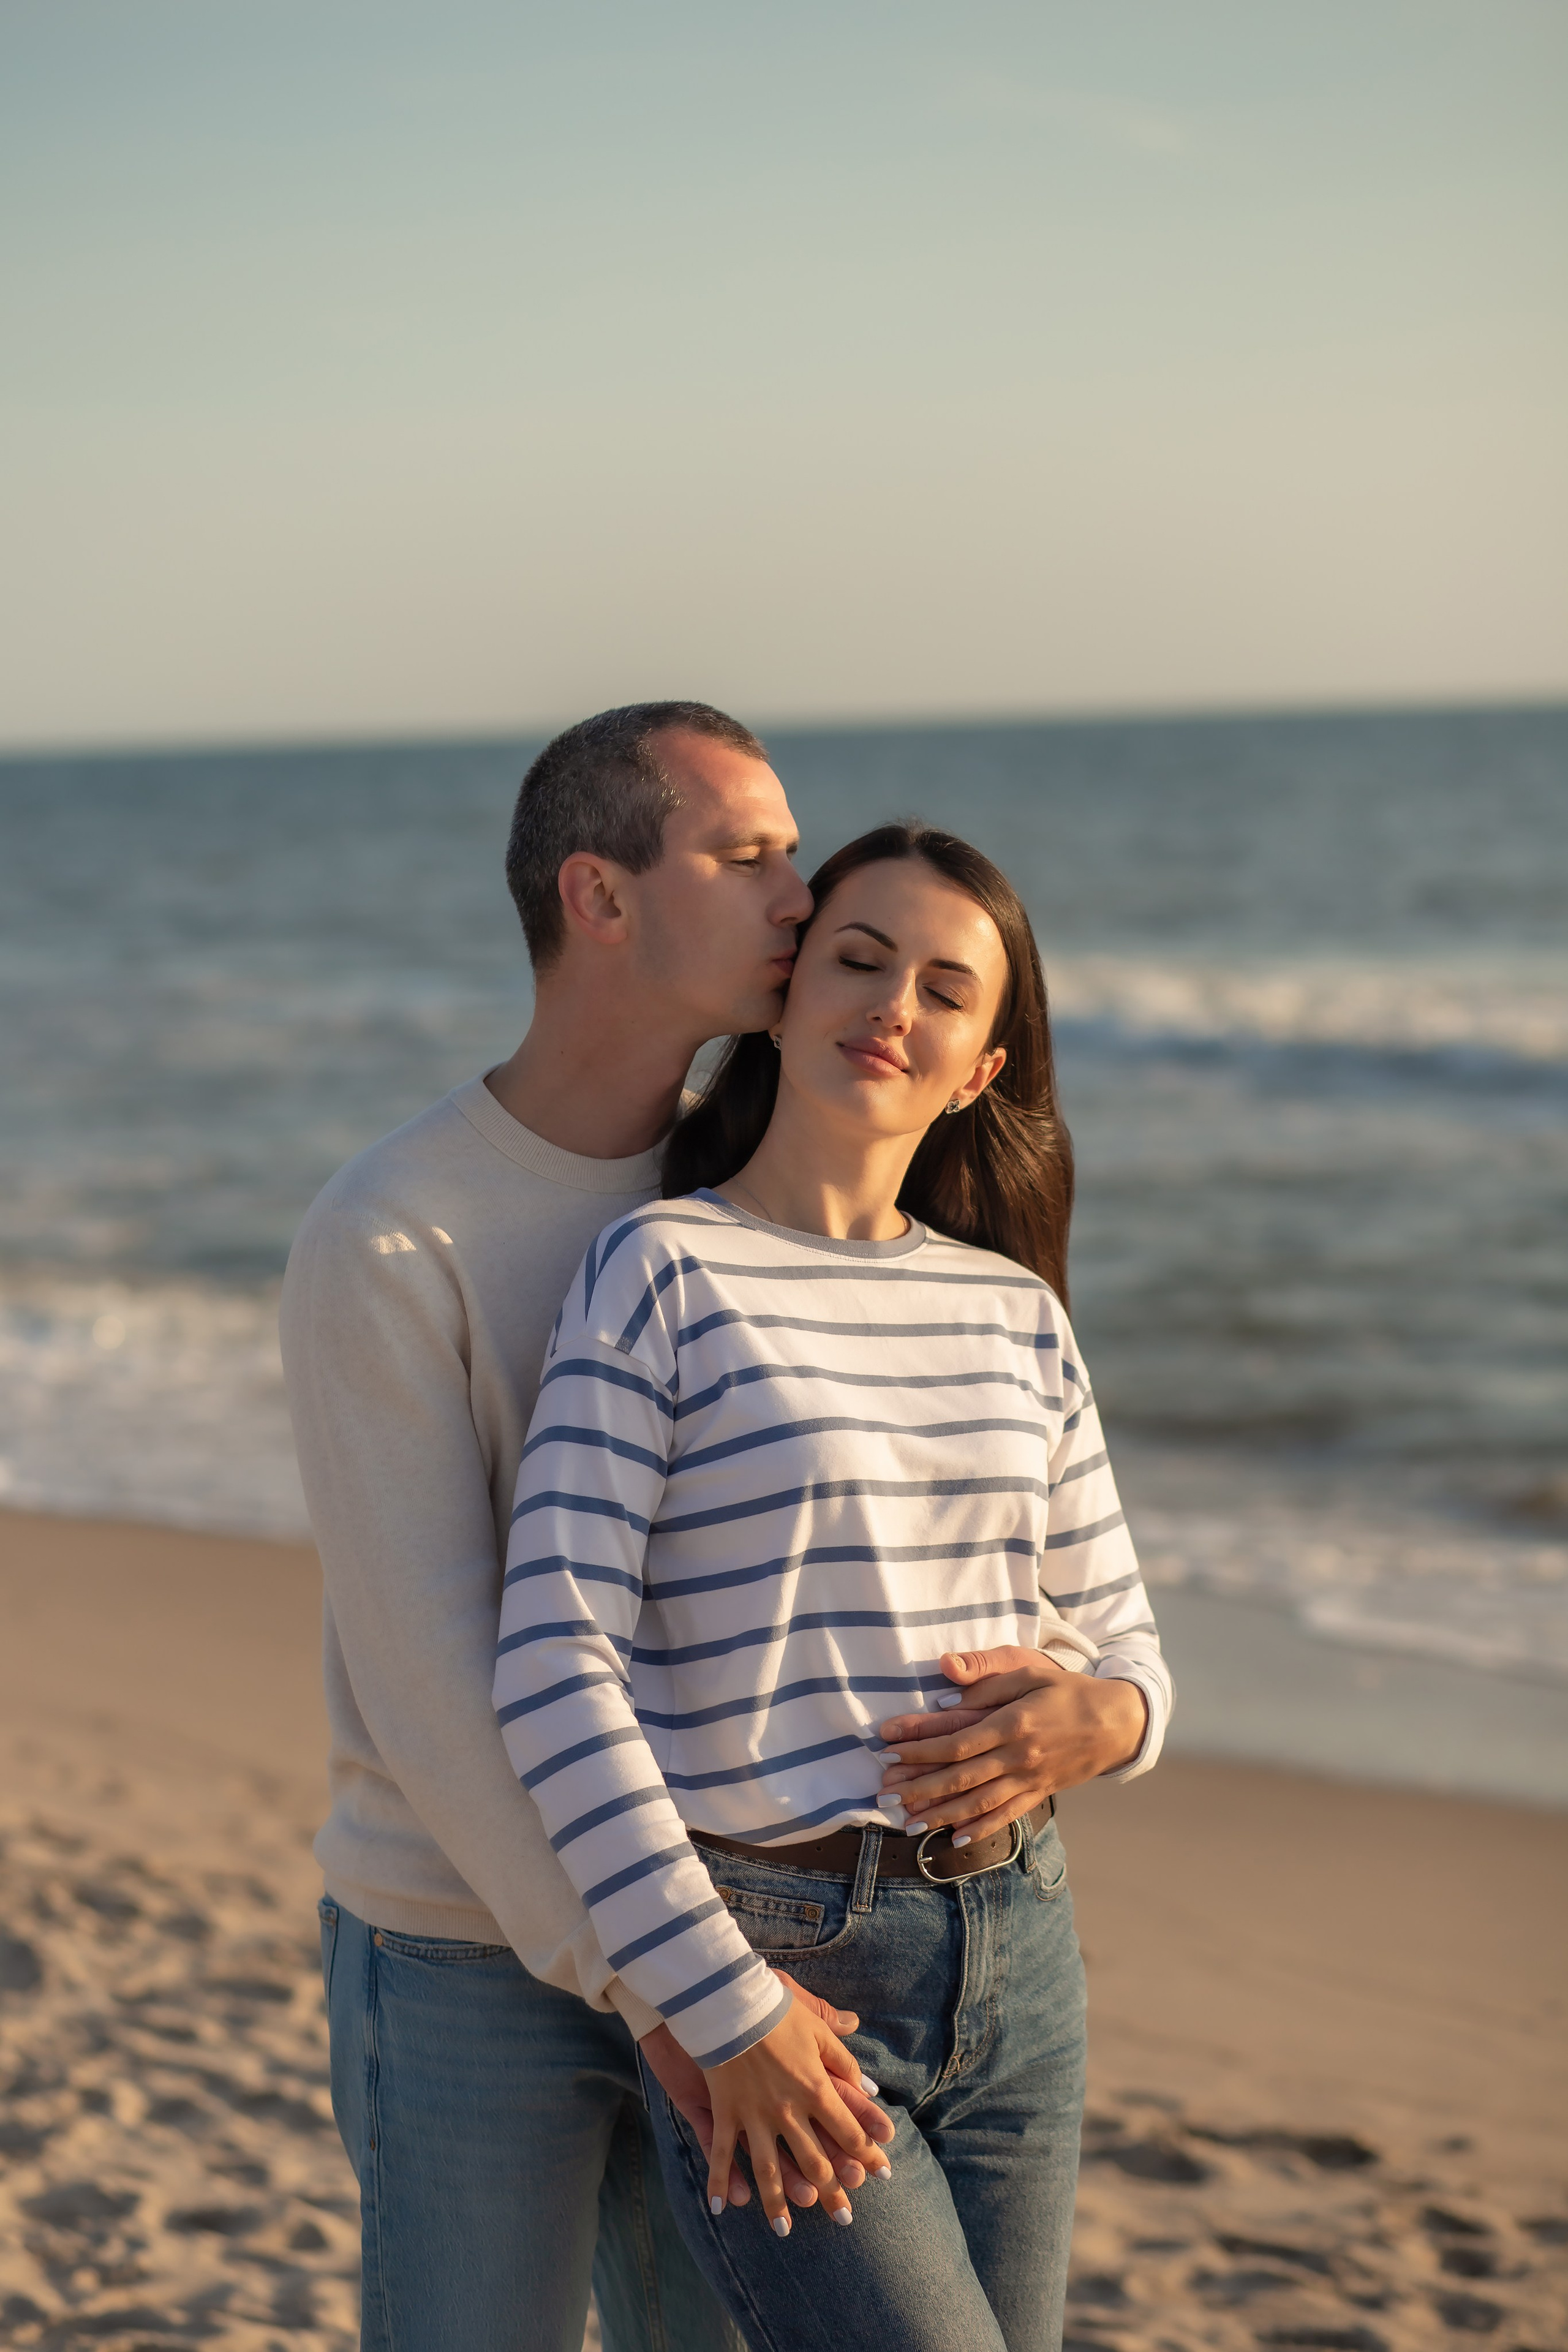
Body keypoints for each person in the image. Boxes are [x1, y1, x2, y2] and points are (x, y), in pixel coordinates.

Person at [492, 820, 1172, 2352]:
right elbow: (550, 1660)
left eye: (944, 989)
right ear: (790, 993)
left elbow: (1124, 1639)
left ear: (981, 1066)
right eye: (858, 961)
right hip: (780, 1956)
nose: (892, 1006)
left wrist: (1105, 1720)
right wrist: (713, 2004)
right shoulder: (660, 1271)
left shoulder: (1014, 1314)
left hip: (1020, 1945)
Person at [281, 702, 894, 2352]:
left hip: (736, 1925)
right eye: (746, 854)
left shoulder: (759, 1198)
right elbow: (431, 1683)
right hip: (471, 1945)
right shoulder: (393, 1234)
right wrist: (671, 1993)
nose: (802, 892)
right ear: (600, 897)